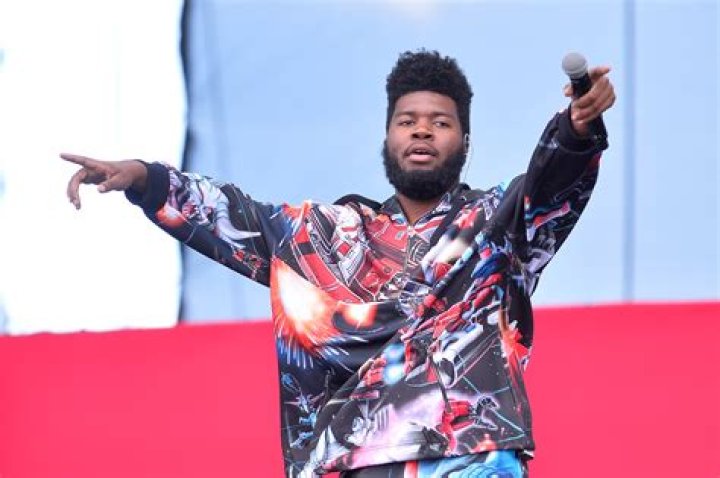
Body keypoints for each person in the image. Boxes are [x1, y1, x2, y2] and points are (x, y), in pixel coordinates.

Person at [63, 50, 615, 477]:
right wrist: (145, 178)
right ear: (387, 137)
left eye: (440, 123)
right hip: (349, 458)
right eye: (407, 120)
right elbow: (233, 215)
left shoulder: (497, 223)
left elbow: (552, 183)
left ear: (465, 143)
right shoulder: (324, 235)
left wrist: (576, 128)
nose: (422, 130)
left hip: (470, 452)